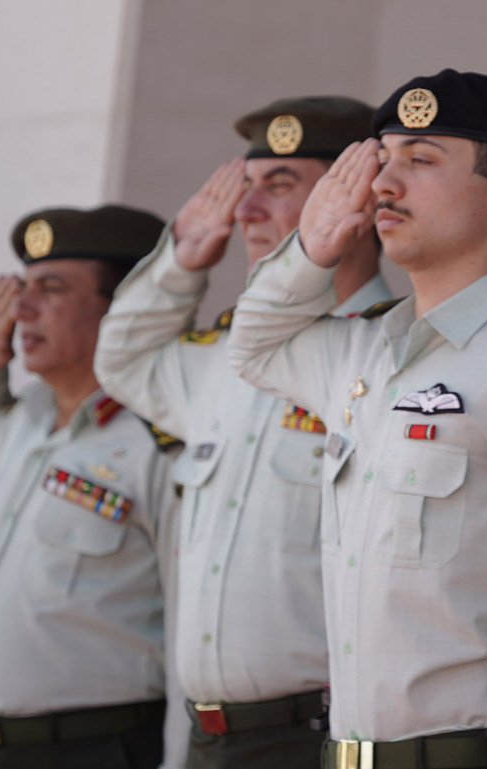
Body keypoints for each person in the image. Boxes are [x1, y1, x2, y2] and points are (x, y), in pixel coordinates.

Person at [227, 69, 487, 769]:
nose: (383, 183)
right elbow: (254, 346)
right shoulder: (361, 350)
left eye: (420, 160)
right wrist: (313, 246)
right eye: (382, 160)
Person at [95, 96, 388, 769]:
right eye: (246, 189)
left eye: (280, 187)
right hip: (209, 737)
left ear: (361, 201)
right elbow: (121, 361)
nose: (246, 212)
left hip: (323, 734)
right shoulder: (218, 358)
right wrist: (181, 260)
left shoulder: (391, 351)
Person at [0, 205, 183, 769]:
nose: (21, 309)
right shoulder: (29, 421)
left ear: (121, 308)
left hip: (95, 749)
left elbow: (195, 633)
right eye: (20, 288)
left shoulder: (162, 440)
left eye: (50, 289)